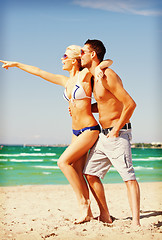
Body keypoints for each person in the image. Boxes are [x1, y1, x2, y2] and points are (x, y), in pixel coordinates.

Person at [0, 46, 113, 224]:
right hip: (75, 132)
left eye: (65, 56)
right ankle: (91, 212)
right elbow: (39, 72)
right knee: (78, 170)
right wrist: (16, 64)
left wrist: (99, 67)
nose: (62, 59)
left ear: (75, 59)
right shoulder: (65, 81)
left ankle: (83, 203)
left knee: (63, 162)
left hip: (89, 129)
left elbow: (107, 61)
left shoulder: (86, 75)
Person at [80, 39, 140, 226]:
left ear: (93, 54)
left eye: (83, 52)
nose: (80, 56)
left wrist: (116, 129)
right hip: (103, 136)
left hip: (118, 133)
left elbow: (130, 104)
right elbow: (105, 103)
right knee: (90, 173)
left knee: (128, 177)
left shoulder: (106, 75)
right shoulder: (94, 76)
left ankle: (136, 222)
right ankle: (105, 215)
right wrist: (85, 108)